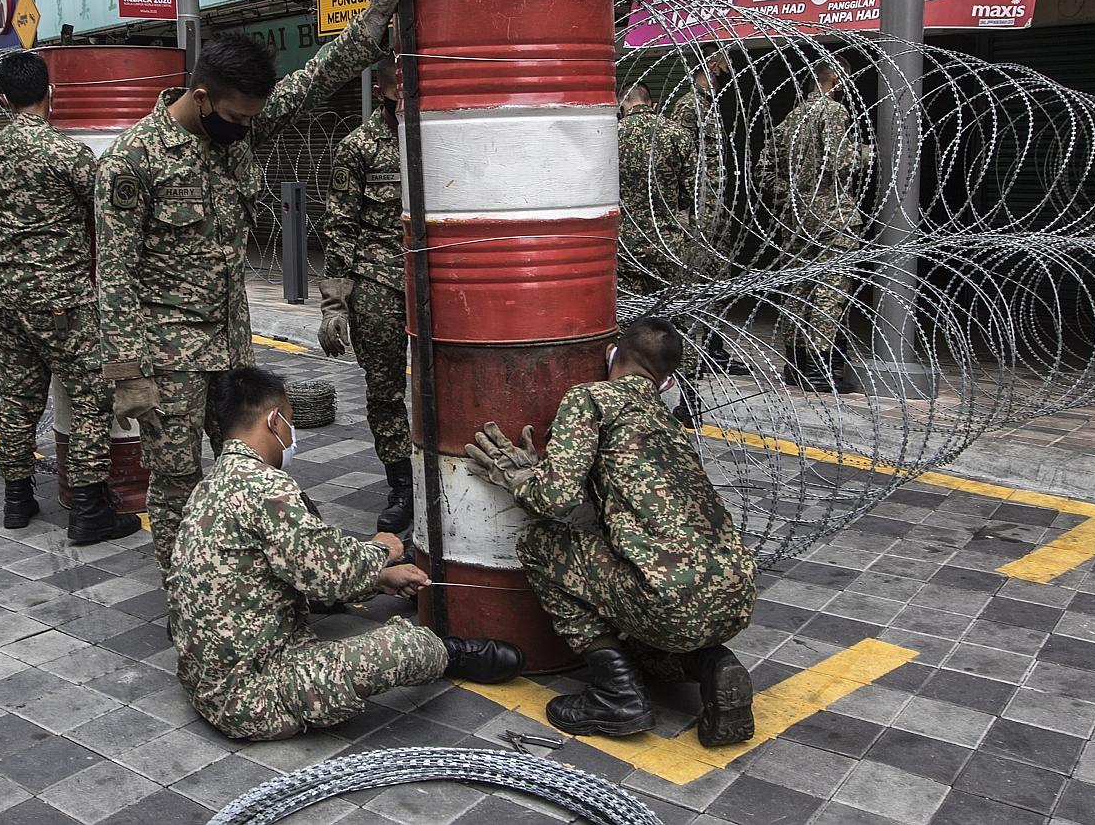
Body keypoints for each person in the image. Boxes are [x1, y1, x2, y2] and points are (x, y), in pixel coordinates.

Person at [94, 0, 415, 581]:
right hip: (170, 359)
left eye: (251, 120)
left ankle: (266, 581)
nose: (246, 129)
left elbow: (313, 82)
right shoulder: (132, 163)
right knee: (179, 484)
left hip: (232, 349)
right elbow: (115, 276)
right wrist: (128, 374)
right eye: (238, 118)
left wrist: (374, 17)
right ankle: (192, 597)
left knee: (257, 473)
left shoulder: (237, 130)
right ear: (202, 97)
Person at [168, 366, 523, 740]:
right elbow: (331, 574)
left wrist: (378, 580)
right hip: (251, 698)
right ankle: (448, 653)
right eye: (290, 422)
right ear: (274, 421)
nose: (292, 434)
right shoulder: (265, 488)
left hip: (206, 676)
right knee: (402, 646)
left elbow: (290, 564)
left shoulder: (212, 484)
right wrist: (380, 551)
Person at [465, 317, 757, 746]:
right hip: (735, 599)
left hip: (667, 601)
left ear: (611, 355)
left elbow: (555, 501)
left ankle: (615, 695)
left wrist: (523, 480)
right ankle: (712, 664)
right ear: (667, 381)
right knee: (646, 633)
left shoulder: (592, 398)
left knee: (541, 543)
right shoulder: (671, 424)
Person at [0, 52, 141, 544]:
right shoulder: (66, 152)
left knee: (17, 399)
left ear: (5, 99)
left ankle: (16, 498)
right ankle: (90, 509)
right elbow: (106, 206)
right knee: (93, 396)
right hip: (63, 301)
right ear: (50, 93)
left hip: (9, 297)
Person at [318, 56, 411, 532]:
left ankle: (439, 466)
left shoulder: (432, 136)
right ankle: (402, 484)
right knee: (385, 390)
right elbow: (340, 227)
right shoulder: (359, 149)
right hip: (378, 285)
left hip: (434, 280)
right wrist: (335, 303)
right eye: (400, 94)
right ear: (382, 93)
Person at [757, 60, 871, 394]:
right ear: (833, 80)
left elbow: (763, 169)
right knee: (829, 291)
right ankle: (820, 368)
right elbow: (839, 161)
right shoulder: (832, 112)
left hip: (796, 218)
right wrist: (865, 153)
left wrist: (790, 193)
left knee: (799, 289)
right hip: (831, 213)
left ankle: (794, 365)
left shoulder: (790, 119)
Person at [615, 82, 705, 427]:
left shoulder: (612, 135)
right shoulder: (677, 135)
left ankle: (629, 399)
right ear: (652, 102)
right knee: (679, 320)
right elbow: (692, 193)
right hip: (669, 243)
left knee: (627, 324)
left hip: (625, 246)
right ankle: (690, 400)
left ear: (624, 103)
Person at [670, 49, 747, 377]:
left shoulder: (709, 104)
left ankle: (715, 349)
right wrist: (685, 210)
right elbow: (678, 159)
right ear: (713, 65)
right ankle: (686, 351)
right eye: (727, 63)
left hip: (714, 210)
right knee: (693, 280)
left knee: (718, 279)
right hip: (699, 211)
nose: (730, 71)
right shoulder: (689, 105)